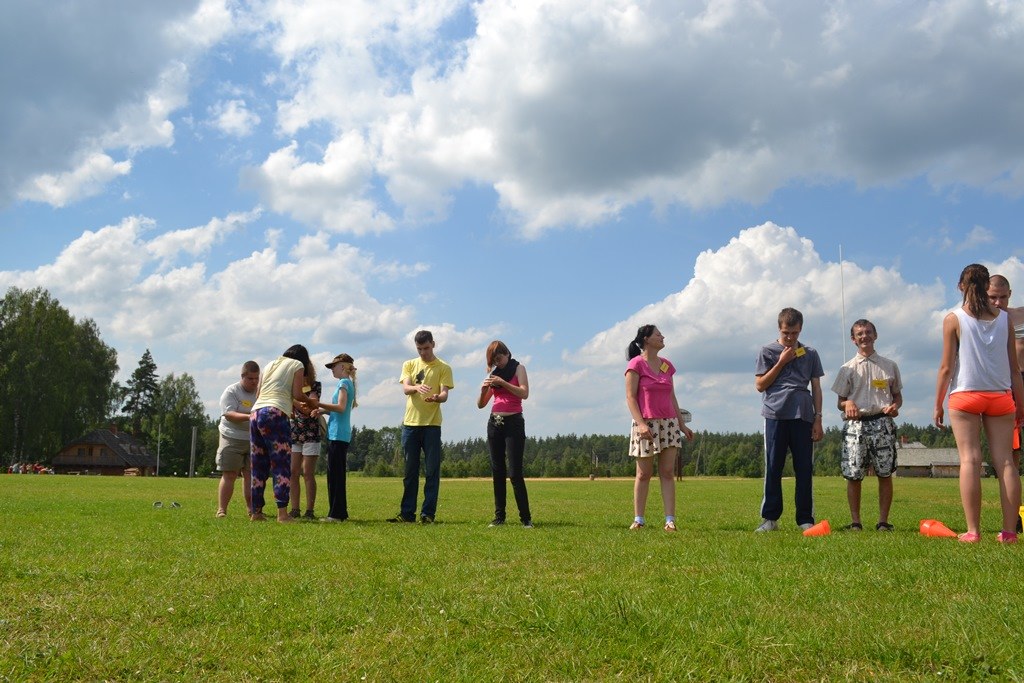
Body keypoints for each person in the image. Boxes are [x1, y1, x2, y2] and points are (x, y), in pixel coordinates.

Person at [934, 264, 1024, 543]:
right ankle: (1009, 532)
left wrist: (938, 404)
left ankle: (973, 531)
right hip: (1000, 396)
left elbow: (946, 368)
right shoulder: (1005, 320)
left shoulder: (953, 319)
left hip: (965, 395)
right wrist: (1020, 404)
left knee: (970, 460)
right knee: (1006, 462)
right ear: (987, 287)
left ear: (961, 286)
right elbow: (1014, 369)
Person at [754, 307, 824, 532]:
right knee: (773, 467)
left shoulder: (810, 353)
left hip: (803, 415)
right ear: (779, 328)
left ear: (801, 329)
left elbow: (816, 387)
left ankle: (805, 519)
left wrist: (818, 418)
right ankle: (770, 519)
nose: (790, 338)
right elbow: (760, 385)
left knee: (804, 468)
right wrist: (781, 362)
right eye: (786, 333)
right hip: (775, 414)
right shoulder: (767, 351)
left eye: (795, 333)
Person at [831, 320, 903, 532]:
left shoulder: (890, 366)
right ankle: (856, 522)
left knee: (885, 473)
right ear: (853, 339)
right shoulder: (847, 369)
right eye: (860, 334)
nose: (864, 336)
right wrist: (848, 403)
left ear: (875, 335)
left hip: (882, 423)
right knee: (853, 475)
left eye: (868, 332)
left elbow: (897, 397)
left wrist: (895, 407)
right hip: (856, 426)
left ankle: (883, 522)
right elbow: (839, 402)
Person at [624, 325, 694, 531]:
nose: (662, 337)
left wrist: (681, 425)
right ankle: (639, 519)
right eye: (658, 334)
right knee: (643, 474)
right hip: (645, 423)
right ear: (646, 339)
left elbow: (672, 396)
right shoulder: (636, 364)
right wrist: (641, 424)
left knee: (667, 472)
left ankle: (670, 520)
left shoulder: (667, 365)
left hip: (669, 424)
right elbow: (630, 397)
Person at [388, 330, 454, 524]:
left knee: (432, 472)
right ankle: (407, 514)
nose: (423, 352)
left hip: (432, 426)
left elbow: (445, 394)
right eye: (419, 349)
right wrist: (417, 387)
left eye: (426, 348)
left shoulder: (444, 367)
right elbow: (406, 388)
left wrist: (437, 397)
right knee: (410, 472)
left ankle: (428, 514)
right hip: (410, 425)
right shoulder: (409, 364)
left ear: (433, 344)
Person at [250, 344, 319, 523]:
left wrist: (291, 406)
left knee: (258, 464)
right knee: (281, 464)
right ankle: (282, 514)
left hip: (256, 413)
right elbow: (297, 393)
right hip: (275, 414)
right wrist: (310, 403)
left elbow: (259, 394)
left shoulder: (269, 365)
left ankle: (256, 512)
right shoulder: (297, 365)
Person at [477, 341, 533, 528]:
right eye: (494, 361)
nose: (497, 363)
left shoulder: (519, 368)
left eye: (499, 359)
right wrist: (483, 390)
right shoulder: (494, 375)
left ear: (507, 353)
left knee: (515, 472)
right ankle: (499, 517)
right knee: (497, 471)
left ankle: (526, 518)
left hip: (513, 423)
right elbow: (481, 404)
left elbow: (524, 393)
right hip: (495, 423)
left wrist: (503, 383)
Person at [988, 274, 1024, 531]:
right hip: (1004, 387)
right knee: (1011, 455)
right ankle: (1015, 516)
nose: (998, 302)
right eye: (992, 297)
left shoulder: (1020, 315)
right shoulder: (982, 321)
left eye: (1002, 297)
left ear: (1010, 294)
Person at [215, 361, 260, 518]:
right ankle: (222, 510)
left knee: (250, 476)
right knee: (230, 474)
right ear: (242, 376)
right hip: (231, 437)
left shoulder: (261, 392)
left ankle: (251, 510)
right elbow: (229, 414)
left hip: (253, 438)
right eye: (250, 378)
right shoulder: (231, 391)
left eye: (257, 378)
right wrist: (251, 417)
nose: (254, 382)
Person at [317, 353, 357, 523]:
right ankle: (339, 513)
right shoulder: (347, 383)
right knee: (336, 475)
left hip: (338, 434)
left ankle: (336, 514)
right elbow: (340, 409)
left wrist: (317, 403)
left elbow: (340, 407)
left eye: (333, 366)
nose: (332, 370)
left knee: (335, 476)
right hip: (340, 434)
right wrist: (322, 411)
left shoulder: (343, 383)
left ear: (342, 366)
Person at [289, 379, 322, 520]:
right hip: (294, 433)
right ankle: (295, 509)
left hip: (311, 434)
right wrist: (296, 402)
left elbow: (309, 408)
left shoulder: (315, 385)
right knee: (293, 472)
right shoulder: (291, 385)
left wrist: (293, 400)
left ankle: (310, 511)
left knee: (308, 473)